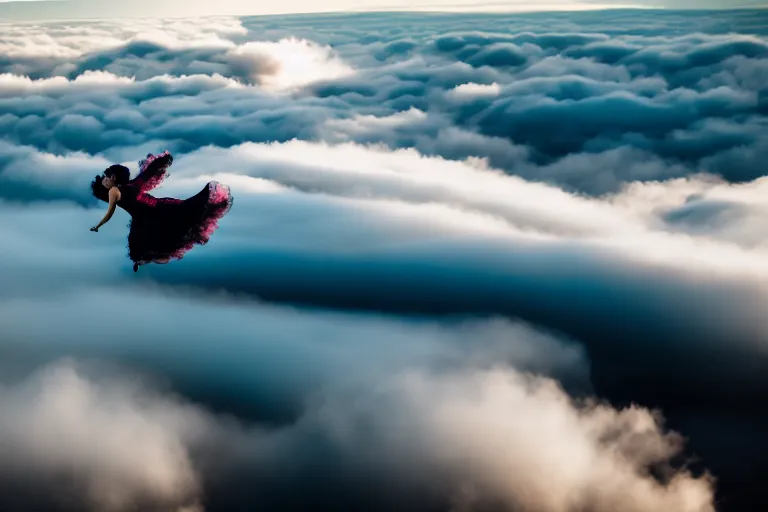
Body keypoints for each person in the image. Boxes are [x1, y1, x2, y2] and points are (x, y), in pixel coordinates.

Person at [90, 151, 233, 272]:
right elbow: (146, 175)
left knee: (141, 242)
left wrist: (98, 226)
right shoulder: (132, 185)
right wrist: (160, 162)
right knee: (166, 229)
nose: (105, 180)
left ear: (114, 179)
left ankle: (151, 257)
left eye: (107, 177)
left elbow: (109, 213)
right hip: (160, 206)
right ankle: (155, 256)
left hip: (146, 215)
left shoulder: (114, 191)